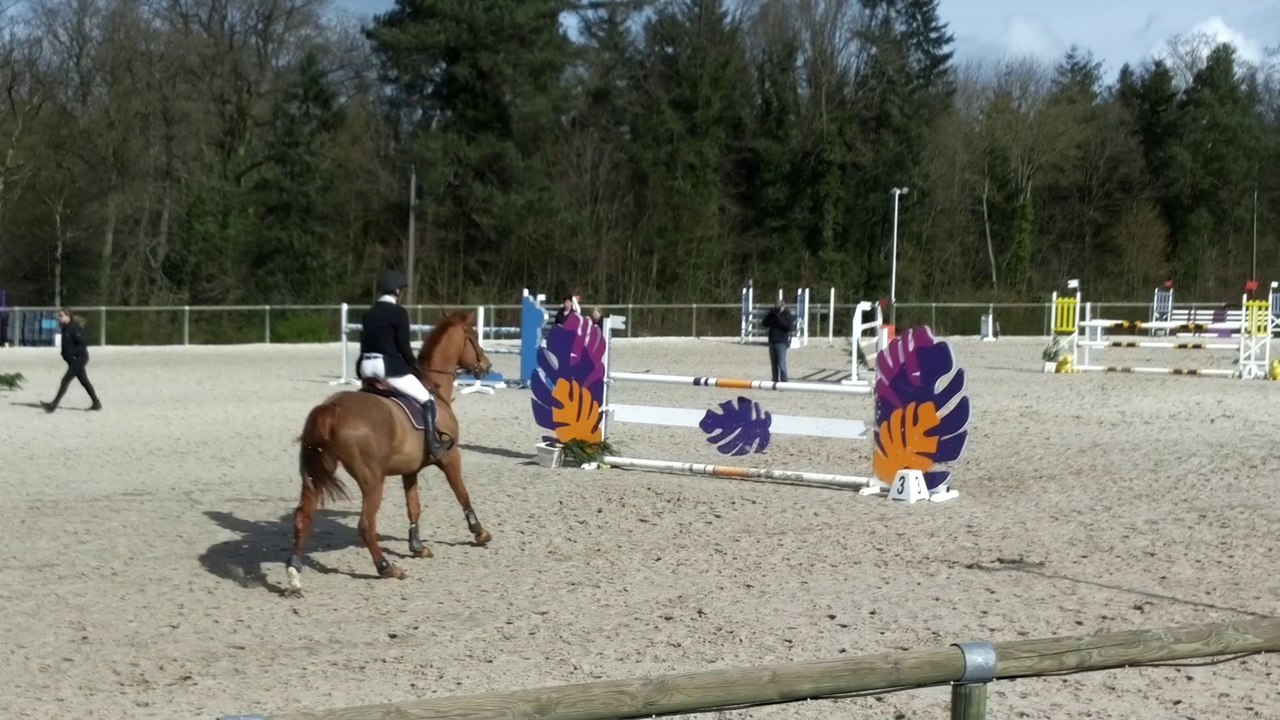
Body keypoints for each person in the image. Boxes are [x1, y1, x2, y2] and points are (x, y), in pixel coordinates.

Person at [356, 270, 453, 461]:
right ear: (398, 291)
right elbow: (403, 347)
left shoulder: (368, 314)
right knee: (427, 400)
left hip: (365, 367)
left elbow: (364, 344)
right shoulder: (398, 313)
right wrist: (415, 366)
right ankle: (433, 445)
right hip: (387, 369)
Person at [42, 308, 102, 412]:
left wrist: (74, 355)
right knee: (84, 381)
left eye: (61, 316)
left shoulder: (74, 328)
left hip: (78, 359)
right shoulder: (65, 328)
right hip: (72, 360)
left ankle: (53, 405)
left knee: (65, 381)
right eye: (59, 316)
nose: (59, 318)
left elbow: (82, 343)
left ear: (68, 316)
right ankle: (96, 402)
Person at [761, 299, 794, 383]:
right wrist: (770, 314)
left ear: (784, 306)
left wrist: (778, 317)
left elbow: (789, 327)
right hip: (772, 340)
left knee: (781, 363)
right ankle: (774, 379)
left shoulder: (787, 315)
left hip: (782, 341)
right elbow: (764, 323)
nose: (778, 308)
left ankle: (784, 381)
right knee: (773, 363)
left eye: (780, 307)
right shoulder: (773, 315)